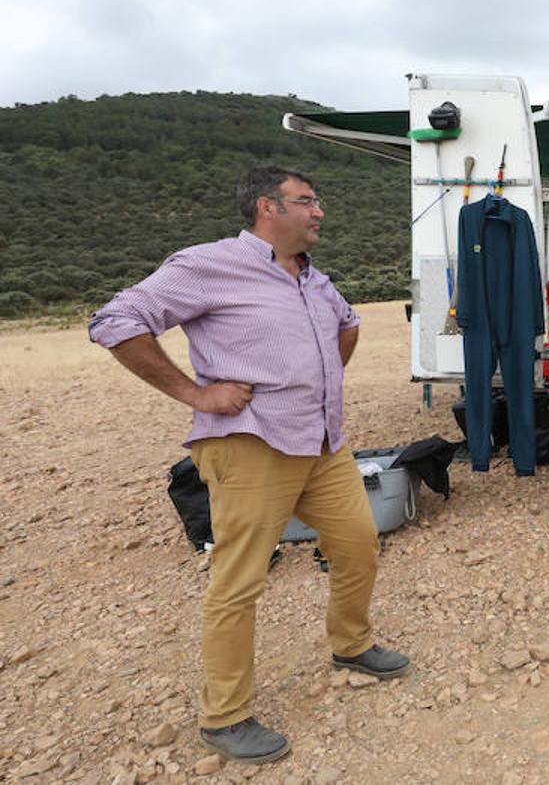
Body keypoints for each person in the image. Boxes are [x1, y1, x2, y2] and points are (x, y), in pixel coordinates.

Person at [89, 166, 410, 765]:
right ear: (268, 207)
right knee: (240, 581)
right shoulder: (207, 265)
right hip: (249, 444)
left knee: (360, 544)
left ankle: (352, 644)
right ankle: (225, 717)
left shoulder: (314, 277)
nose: (319, 212)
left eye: (318, 201)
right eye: (307, 201)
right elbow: (114, 323)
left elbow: (347, 323)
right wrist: (196, 394)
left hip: (322, 444)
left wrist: (322, 384)